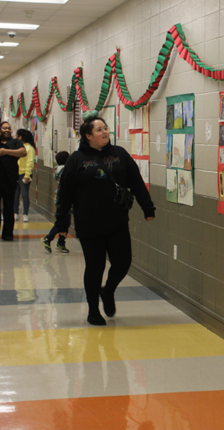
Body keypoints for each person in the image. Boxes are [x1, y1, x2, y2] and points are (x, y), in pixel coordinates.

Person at [55, 113, 155, 325]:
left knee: (123, 262)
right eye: (99, 129)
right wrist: (61, 223)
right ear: (87, 135)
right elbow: (65, 194)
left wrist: (147, 206)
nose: (105, 132)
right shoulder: (76, 159)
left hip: (117, 221)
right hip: (88, 224)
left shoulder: (119, 154)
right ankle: (93, 311)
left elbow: (136, 180)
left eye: (106, 128)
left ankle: (108, 290)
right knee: (95, 267)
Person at [42, 151, 71, 254]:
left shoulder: (56, 169)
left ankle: (61, 242)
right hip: (64, 199)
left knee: (65, 221)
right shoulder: (65, 170)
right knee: (63, 221)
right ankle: (48, 238)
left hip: (59, 197)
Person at [13, 129, 37, 222]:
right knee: (15, 195)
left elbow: (30, 162)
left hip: (24, 174)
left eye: (17, 135)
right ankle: (15, 212)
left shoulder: (29, 148)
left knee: (25, 194)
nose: (16, 137)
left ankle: (25, 214)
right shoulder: (18, 147)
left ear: (21, 137)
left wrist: (27, 175)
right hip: (16, 173)